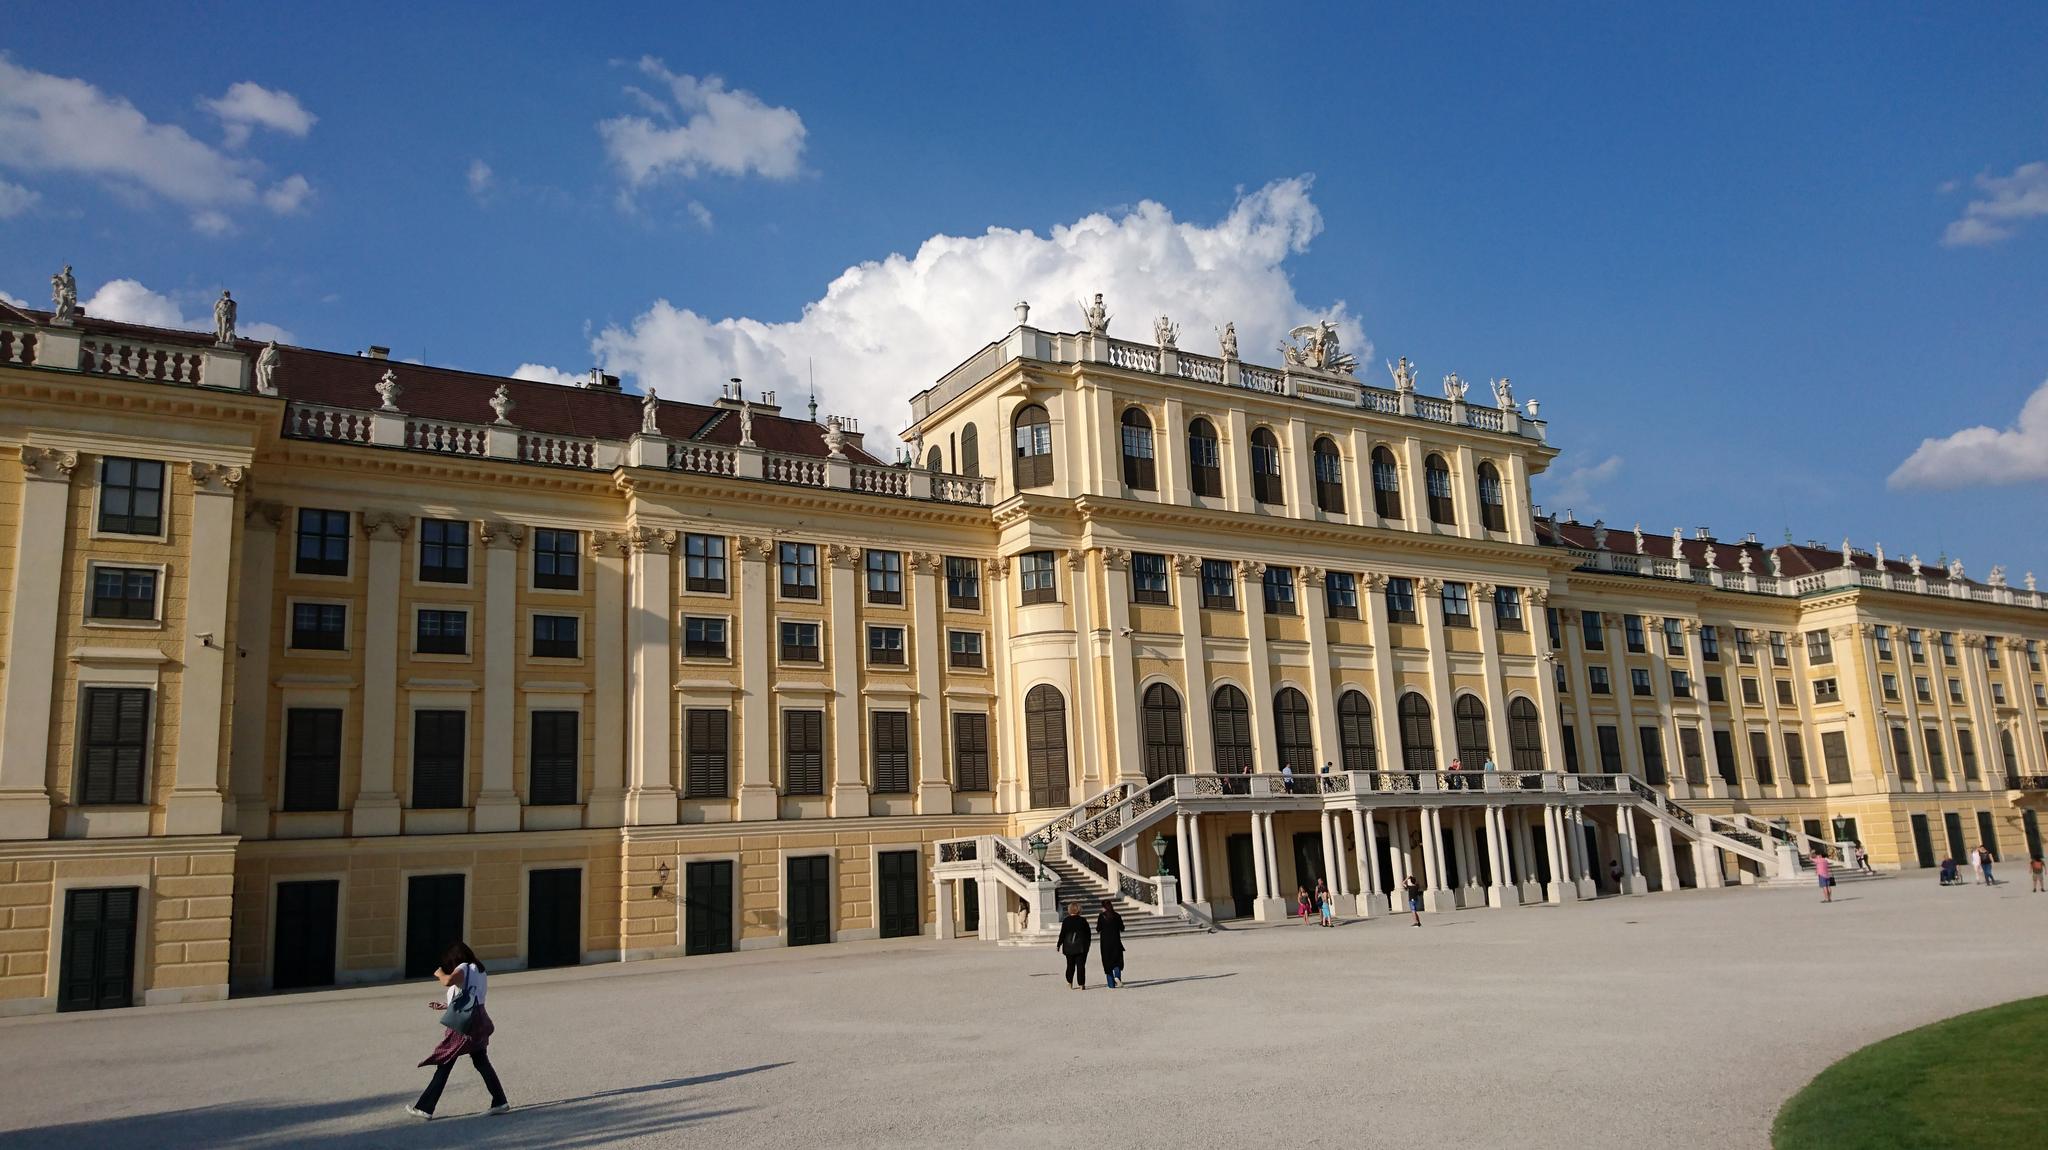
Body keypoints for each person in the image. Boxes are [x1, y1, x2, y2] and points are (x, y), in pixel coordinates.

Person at [408, 942, 509, 1119]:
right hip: (479, 1018)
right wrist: (446, 1005)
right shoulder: (479, 969)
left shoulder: (463, 967)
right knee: (481, 1060)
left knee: (445, 1062)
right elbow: (471, 997)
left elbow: (447, 981)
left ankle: (424, 1108)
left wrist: (439, 973)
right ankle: (500, 1101)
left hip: (464, 1023)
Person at [1058, 903, 1091, 990]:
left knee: (1070, 965)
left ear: (1069, 910)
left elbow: (1062, 934)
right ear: (1079, 910)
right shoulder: (1083, 920)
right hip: (1081, 946)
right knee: (1081, 966)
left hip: (1069, 946)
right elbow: (1088, 934)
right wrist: (1088, 944)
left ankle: (1070, 982)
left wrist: (1059, 944)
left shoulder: (1066, 920)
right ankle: (1081, 984)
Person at [1096, 903, 1126, 989]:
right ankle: (1117, 976)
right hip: (1116, 941)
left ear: (1104, 908)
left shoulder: (1101, 916)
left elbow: (1098, 928)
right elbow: (1122, 928)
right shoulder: (1117, 915)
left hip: (1105, 942)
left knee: (1107, 962)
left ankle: (1111, 984)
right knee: (1117, 961)